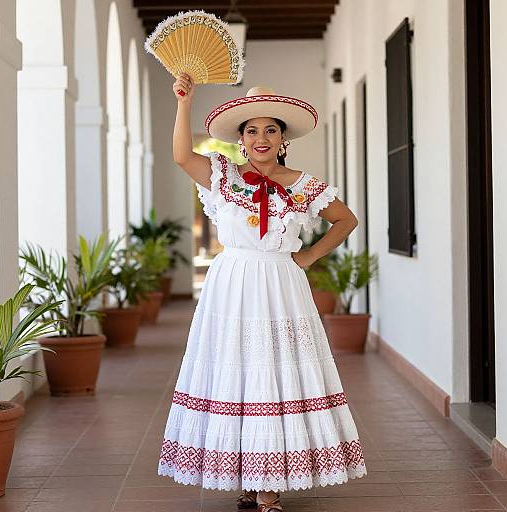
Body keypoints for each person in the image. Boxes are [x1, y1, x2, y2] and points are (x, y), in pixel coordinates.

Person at [157, 73, 367, 512]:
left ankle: (268, 488)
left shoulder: (304, 183)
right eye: (251, 130)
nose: (261, 138)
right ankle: (248, 475)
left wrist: (309, 257)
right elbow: (180, 156)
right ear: (240, 139)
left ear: (283, 138)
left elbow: (346, 220)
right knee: (237, 371)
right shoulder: (222, 176)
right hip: (232, 283)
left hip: (281, 284)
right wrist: (184, 101)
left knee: (273, 371)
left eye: (271, 129)